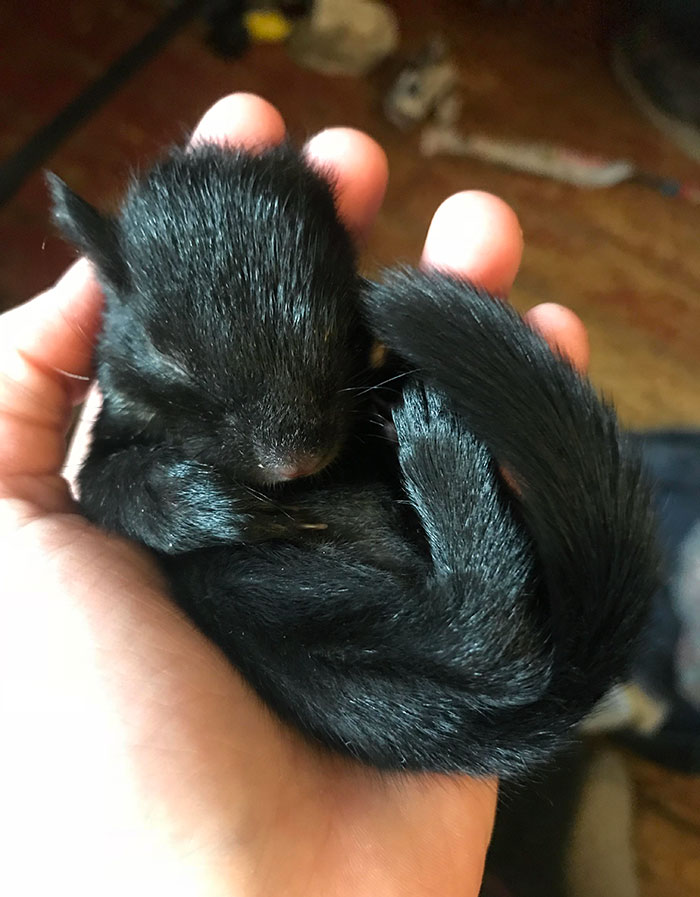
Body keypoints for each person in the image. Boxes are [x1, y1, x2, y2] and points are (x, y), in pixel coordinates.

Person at [0, 93, 589, 896]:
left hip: (407, 599)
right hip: (371, 655)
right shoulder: (130, 382)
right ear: (116, 285)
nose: (288, 461)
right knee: (245, 593)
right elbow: (107, 483)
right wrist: (156, 497)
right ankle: (489, 618)